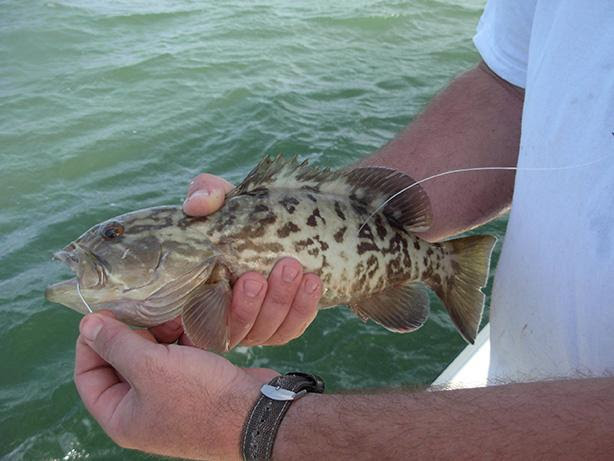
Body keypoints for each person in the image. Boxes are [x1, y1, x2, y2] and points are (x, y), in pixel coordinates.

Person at [73, 1, 614, 459]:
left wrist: (248, 423)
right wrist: (337, 213)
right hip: (515, 383)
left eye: (114, 236)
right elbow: (514, 89)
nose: (99, 247)